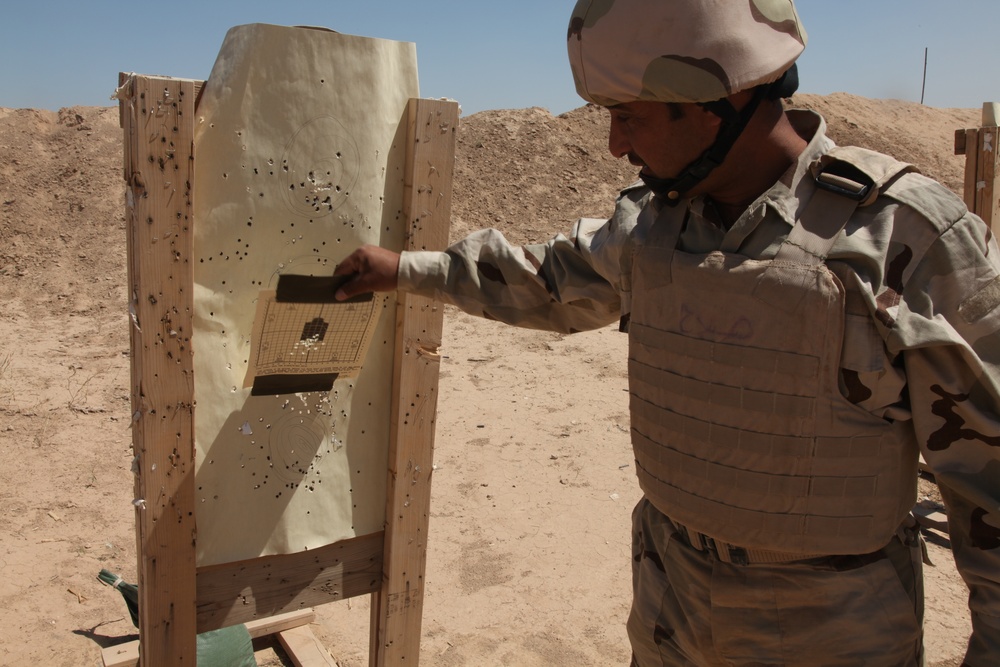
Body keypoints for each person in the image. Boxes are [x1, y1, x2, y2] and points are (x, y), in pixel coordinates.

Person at [335, 1, 1000, 664]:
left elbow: (991, 472)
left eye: (631, 117)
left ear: (725, 99)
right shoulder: (655, 225)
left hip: (830, 627)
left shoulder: (904, 235)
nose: (615, 144)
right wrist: (403, 269)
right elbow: (548, 281)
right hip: (671, 604)